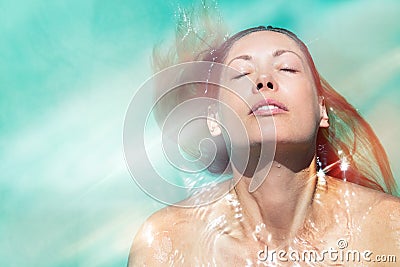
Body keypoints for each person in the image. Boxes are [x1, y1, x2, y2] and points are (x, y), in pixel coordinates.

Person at [128, 24, 400, 266]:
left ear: (322, 111)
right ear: (214, 119)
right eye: (241, 74)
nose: (263, 81)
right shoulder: (165, 243)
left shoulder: (389, 229)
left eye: (287, 68)